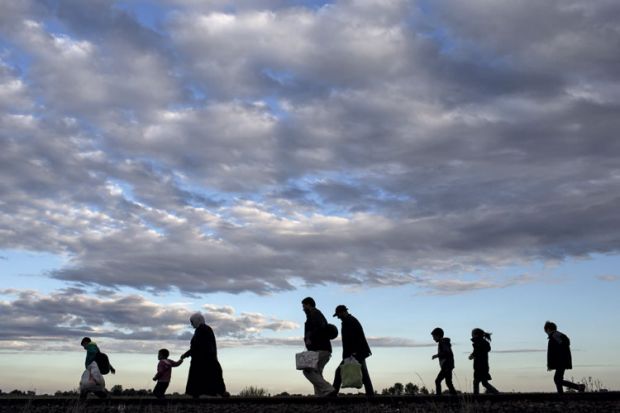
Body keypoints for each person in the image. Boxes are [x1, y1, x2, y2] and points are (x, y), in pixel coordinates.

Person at [180, 312, 229, 398]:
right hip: (207, 359)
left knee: (202, 377)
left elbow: (197, 346)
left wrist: (186, 354)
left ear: (197, 321)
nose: (191, 324)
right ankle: (218, 393)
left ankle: (207, 393)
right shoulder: (205, 329)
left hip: (202, 361)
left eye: (192, 322)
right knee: (213, 376)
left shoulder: (201, 330)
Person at [332, 305, 374, 396]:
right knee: (364, 373)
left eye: (338, 314)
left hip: (355, 352)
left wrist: (353, 352)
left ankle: (333, 394)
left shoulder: (349, 321)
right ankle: (370, 395)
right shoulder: (350, 320)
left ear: (343, 312)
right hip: (358, 352)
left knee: (339, 371)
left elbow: (353, 338)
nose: (338, 317)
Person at [302, 297, 336, 397]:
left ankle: (328, 389)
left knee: (307, 370)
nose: (303, 308)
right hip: (324, 349)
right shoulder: (315, 315)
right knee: (316, 372)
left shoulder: (315, 315)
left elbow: (319, 329)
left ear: (308, 305)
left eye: (304, 306)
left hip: (319, 348)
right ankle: (320, 395)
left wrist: (309, 338)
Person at [544, 321, 585, 393]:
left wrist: (556, 361)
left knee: (557, 379)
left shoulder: (555, 336)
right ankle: (562, 393)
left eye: (546, 330)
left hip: (561, 361)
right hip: (562, 360)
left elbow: (560, 347)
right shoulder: (557, 335)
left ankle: (578, 387)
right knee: (558, 379)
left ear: (548, 329)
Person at [468, 328, 499, 394]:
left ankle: (476, 397)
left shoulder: (479, 343)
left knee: (476, 382)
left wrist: (472, 355)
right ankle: (497, 394)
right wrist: (473, 355)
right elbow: (479, 351)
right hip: (483, 366)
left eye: (472, 334)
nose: (471, 335)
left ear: (476, 335)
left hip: (480, 366)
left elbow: (478, 352)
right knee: (484, 383)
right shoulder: (481, 343)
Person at [431, 327, 457, 395]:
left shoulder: (443, 342)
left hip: (447, 365)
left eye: (434, 336)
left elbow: (446, 352)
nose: (433, 338)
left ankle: (439, 397)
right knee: (448, 382)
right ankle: (455, 398)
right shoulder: (443, 342)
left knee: (438, 381)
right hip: (448, 365)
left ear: (438, 335)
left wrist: (437, 355)